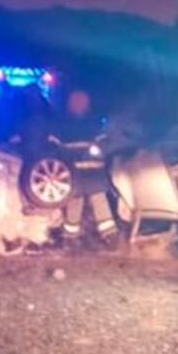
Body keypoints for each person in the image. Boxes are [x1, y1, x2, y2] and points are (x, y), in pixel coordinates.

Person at [51, 89, 119, 249]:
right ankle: (70, 237)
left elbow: (103, 142)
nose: (79, 105)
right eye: (76, 102)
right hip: (73, 172)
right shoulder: (63, 124)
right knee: (75, 202)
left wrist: (98, 150)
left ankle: (110, 236)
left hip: (93, 171)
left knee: (99, 200)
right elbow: (56, 146)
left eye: (81, 102)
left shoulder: (93, 122)